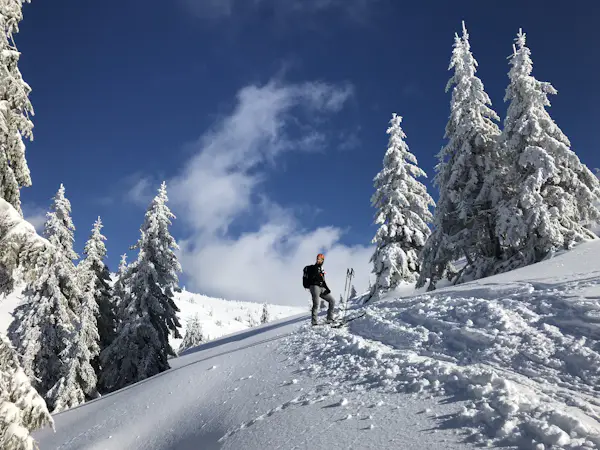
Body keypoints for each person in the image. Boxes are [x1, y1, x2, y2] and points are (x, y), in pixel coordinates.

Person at [304, 253, 336, 326]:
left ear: (323, 260)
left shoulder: (322, 269)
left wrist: (327, 289)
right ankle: (314, 322)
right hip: (314, 287)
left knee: (332, 300)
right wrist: (317, 265)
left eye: (321, 259)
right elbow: (313, 274)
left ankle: (329, 319)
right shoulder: (313, 268)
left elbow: (323, 281)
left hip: (322, 288)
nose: (319, 260)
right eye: (318, 259)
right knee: (316, 304)